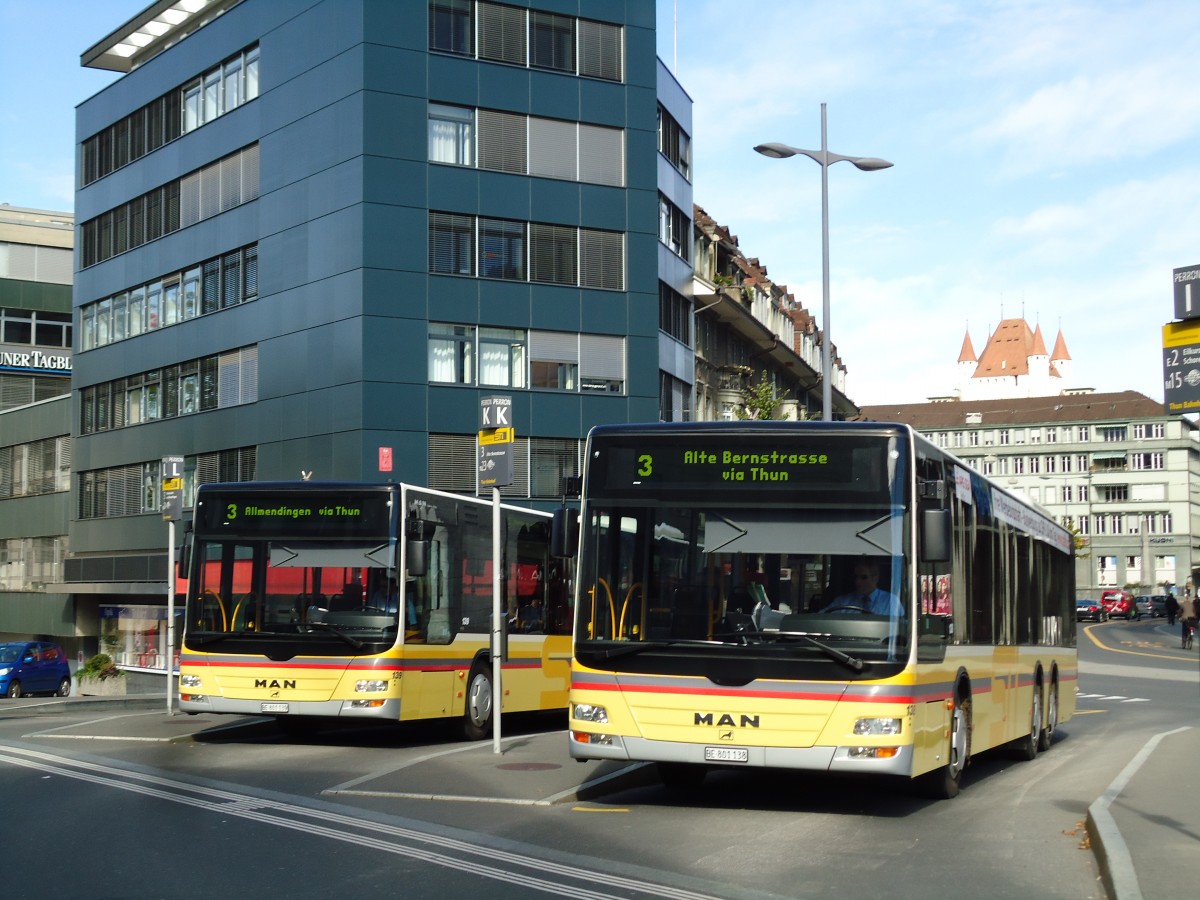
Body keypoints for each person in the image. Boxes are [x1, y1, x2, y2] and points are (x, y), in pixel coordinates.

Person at [825, 558, 904, 616]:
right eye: (856, 577)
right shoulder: (842, 602)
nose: (858, 581)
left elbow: (899, 628)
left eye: (864, 577)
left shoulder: (891, 602)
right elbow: (821, 617)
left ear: (875, 578)